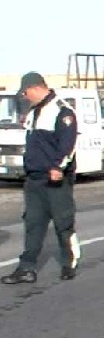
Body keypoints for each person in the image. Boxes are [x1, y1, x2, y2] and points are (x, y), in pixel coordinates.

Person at [1, 72, 80, 284]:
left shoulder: (62, 110)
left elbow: (68, 144)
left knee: (63, 223)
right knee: (33, 223)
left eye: (25, 92)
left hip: (55, 178)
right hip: (34, 178)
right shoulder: (34, 112)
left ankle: (69, 263)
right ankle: (26, 268)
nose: (25, 97)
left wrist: (58, 167)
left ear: (36, 88)